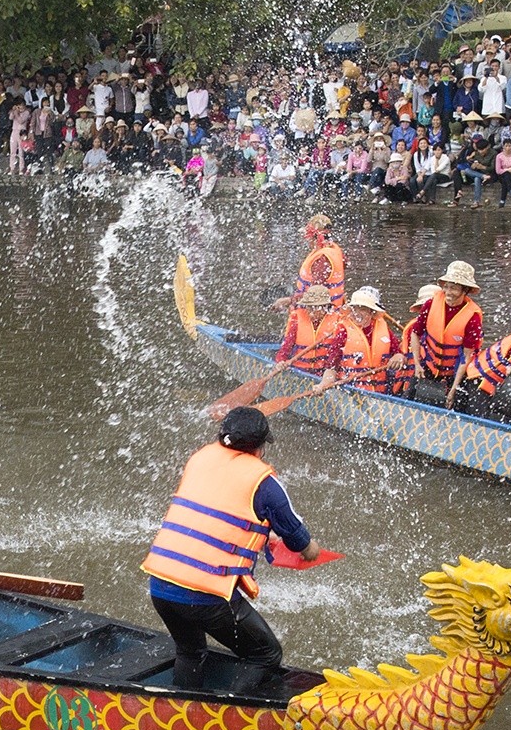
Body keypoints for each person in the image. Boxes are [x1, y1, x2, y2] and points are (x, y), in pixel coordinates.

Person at [142, 407, 324, 696]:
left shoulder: (200, 458)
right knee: (266, 654)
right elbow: (297, 539)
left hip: (160, 585)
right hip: (205, 595)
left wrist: (261, 534)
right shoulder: (264, 483)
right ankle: (229, 712)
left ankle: (181, 712)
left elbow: (216, 516)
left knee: (190, 652)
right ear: (260, 448)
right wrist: (311, 550)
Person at [404, 260, 484, 396]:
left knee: (459, 401)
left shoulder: (473, 317)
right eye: (446, 287)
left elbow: (467, 355)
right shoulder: (430, 304)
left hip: (456, 372)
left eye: (454, 288)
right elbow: (415, 334)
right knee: (408, 397)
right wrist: (417, 364)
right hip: (428, 366)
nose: (448, 292)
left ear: (465, 290)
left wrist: (453, 388)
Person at [273, 284, 348, 377]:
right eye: (309, 307)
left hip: (323, 374)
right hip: (299, 372)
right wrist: (280, 361)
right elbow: (286, 348)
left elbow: (336, 355)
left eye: (316, 307)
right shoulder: (297, 317)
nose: (311, 311)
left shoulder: (338, 321)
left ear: (326, 307)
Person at [338, 287, 399, 392]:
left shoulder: (382, 328)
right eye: (354, 309)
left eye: (362, 309)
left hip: (380, 392)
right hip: (351, 391)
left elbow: (398, 351)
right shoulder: (344, 331)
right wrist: (324, 383)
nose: (357, 313)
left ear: (372, 312)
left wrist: (399, 356)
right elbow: (331, 364)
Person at [286, 212, 346, 309]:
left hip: (319, 315)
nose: (307, 240)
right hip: (335, 311)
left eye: (308, 236)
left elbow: (315, 295)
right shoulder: (335, 249)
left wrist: (288, 301)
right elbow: (344, 264)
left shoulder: (322, 260)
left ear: (315, 237)